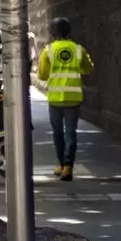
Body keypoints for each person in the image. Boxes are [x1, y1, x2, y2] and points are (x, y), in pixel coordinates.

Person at [38, 17, 94, 181]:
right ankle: (68, 166)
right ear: (69, 31)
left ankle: (61, 165)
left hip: (55, 97)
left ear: (52, 33)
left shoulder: (48, 50)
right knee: (71, 132)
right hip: (73, 97)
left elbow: (42, 75)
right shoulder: (78, 50)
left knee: (57, 132)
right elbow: (88, 68)